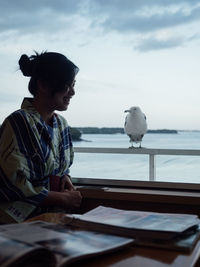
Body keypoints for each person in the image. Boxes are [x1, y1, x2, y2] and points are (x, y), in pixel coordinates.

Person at [0, 51, 82, 223]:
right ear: (43, 85)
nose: (73, 92)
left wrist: (65, 179)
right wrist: (62, 199)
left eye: (73, 85)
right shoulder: (19, 122)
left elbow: (61, 168)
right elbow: (13, 185)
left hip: (52, 217)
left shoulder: (62, 125)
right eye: (67, 85)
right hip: (18, 221)